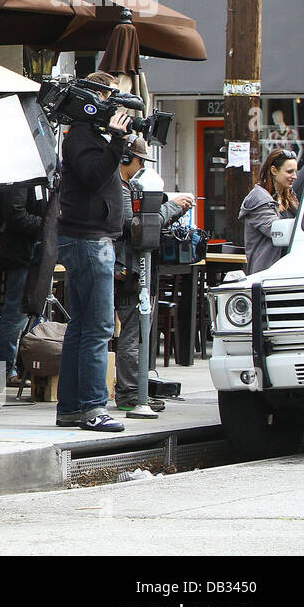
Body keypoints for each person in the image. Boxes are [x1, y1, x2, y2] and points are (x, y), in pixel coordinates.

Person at [56, 71, 134, 432]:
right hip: (89, 241)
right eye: (106, 98)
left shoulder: (87, 134)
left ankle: (72, 407)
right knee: (98, 326)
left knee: (83, 326)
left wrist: (120, 139)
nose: (110, 106)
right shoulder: (83, 135)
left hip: (89, 239)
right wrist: (116, 142)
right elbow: (93, 176)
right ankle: (91, 406)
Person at [114, 134, 195, 411]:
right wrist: (172, 206)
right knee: (133, 334)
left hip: (132, 269)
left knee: (136, 332)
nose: (141, 167)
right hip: (128, 271)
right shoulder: (119, 188)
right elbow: (134, 223)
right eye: (139, 160)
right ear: (126, 159)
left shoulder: (126, 186)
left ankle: (134, 391)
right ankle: (130, 394)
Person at [0, 183, 48, 384]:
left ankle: (23, 369)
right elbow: (15, 214)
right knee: (16, 315)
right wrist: (47, 224)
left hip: (36, 255)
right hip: (22, 255)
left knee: (30, 316)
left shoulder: (43, 179)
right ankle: (6, 370)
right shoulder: (21, 179)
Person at [241, 148, 299, 275]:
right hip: (267, 274)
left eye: (295, 171)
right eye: (289, 172)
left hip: (288, 270)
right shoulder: (258, 198)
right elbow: (277, 232)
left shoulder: (289, 197)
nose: (295, 176)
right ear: (274, 170)